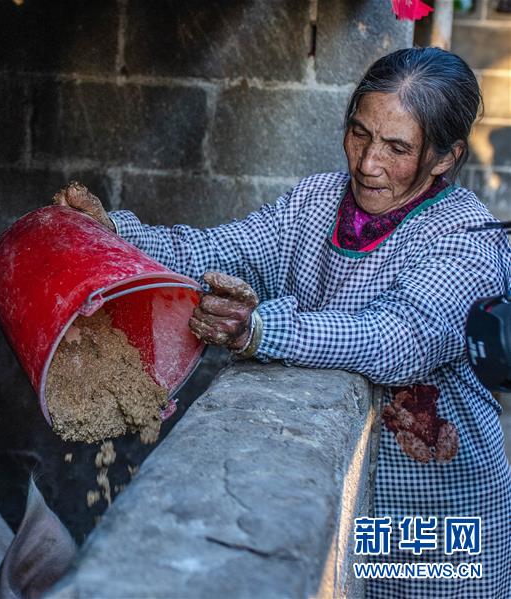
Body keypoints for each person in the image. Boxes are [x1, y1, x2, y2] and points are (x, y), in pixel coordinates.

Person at [54, 47, 511, 598]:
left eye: (397, 148)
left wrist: (263, 332)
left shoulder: (466, 238)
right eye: (360, 133)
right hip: (362, 504)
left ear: (444, 157)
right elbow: (226, 249)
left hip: (440, 510)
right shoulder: (317, 202)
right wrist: (119, 237)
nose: (368, 163)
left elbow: (400, 337)